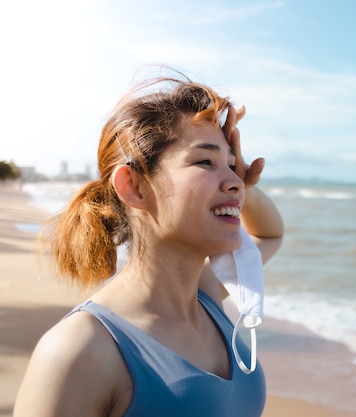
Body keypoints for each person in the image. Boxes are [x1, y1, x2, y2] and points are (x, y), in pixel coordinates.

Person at [13, 71, 284, 417]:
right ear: (135, 187)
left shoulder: (207, 297)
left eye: (232, 165)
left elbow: (269, 234)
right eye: (205, 161)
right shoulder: (80, 349)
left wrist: (241, 180)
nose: (235, 181)